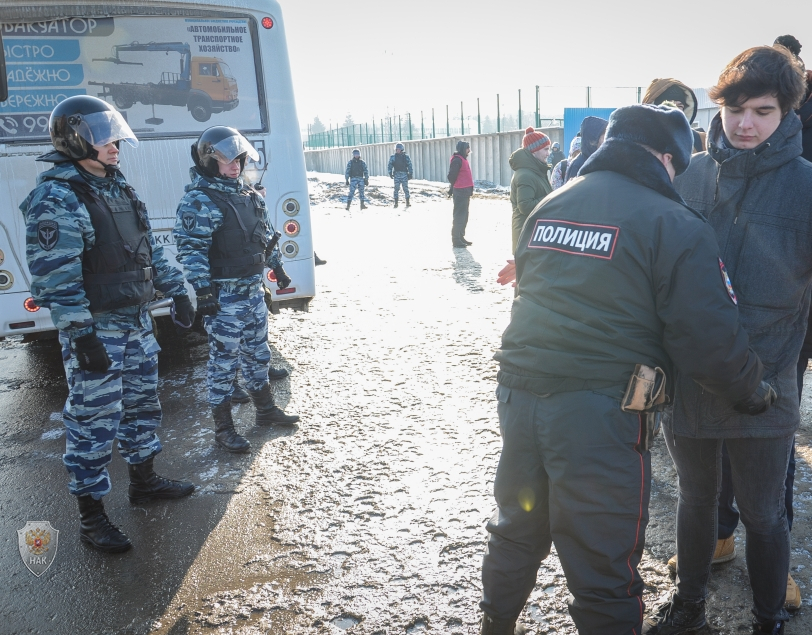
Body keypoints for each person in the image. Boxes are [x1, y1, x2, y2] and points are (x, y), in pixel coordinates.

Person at [479, 103, 772, 635]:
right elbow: (708, 341)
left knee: (517, 526)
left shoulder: (553, 203)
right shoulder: (674, 222)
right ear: (666, 158)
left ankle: (495, 625)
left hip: (518, 393)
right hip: (599, 412)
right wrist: (753, 390)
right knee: (604, 556)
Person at [645, 45, 812, 635]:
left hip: (766, 388)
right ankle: (687, 605)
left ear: (787, 113)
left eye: (762, 111)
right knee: (695, 501)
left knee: (765, 516)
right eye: (735, 109)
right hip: (688, 382)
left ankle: (769, 620)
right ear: (718, 107)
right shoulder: (684, 176)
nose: (745, 124)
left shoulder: (807, 187)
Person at [21, 95, 196, 554]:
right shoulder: (57, 196)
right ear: (77, 138)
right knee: (93, 420)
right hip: (97, 327)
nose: (115, 143)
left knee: (142, 406)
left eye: (115, 133)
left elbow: (148, 248)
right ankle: (92, 518)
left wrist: (177, 289)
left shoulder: (117, 186)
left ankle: (144, 483)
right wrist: (80, 335)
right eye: (104, 135)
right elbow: (56, 275)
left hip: (136, 322)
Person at [174, 126, 299, 454]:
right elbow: (192, 249)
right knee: (223, 363)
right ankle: (224, 428)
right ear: (208, 160)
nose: (236, 165)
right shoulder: (199, 200)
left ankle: (266, 410)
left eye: (239, 159)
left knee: (259, 354)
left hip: (252, 292)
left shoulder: (247, 196)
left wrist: (278, 268)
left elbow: (265, 236)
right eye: (228, 159)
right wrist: (202, 291)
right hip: (224, 297)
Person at [508, 127, 552, 253]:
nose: (548, 153)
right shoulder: (526, 175)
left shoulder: (536, 170)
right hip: (526, 237)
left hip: (534, 235)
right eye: (545, 149)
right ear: (534, 151)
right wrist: (552, 197)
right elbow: (525, 206)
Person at [643, 78, 706, 152]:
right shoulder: (637, 143)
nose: (675, 110)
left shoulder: (702, 141)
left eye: (680, 106)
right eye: (668, 105)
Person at [563, 116, 607, 183]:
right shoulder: (577, 165)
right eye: (604, 136)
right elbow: (573, 192)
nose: (606, 140)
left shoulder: (600, 161)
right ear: (594, 138)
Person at [448, 140, 474, 248]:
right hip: (460, 191)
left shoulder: (462, 159)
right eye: (467, 148)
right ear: (463, 148)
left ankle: (461, 236)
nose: (469, 150)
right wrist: (453, 187)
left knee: (464, 216)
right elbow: (451, 176)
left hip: (465, 192)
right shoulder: (457, 160)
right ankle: (456, 239)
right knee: (459, 216)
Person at [387, 142, 414, 208]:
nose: (397, 150)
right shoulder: (393, 157)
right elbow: (390, 165)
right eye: (397, 149)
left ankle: (407, 202)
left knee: (405, 188)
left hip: (404, 174)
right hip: (397, 174)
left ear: (402, 150)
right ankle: (396, 203)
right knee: (396, 188)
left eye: (399, 149)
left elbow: (409, 165)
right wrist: (390, 172)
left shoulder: (406, 157)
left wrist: (410, 173)